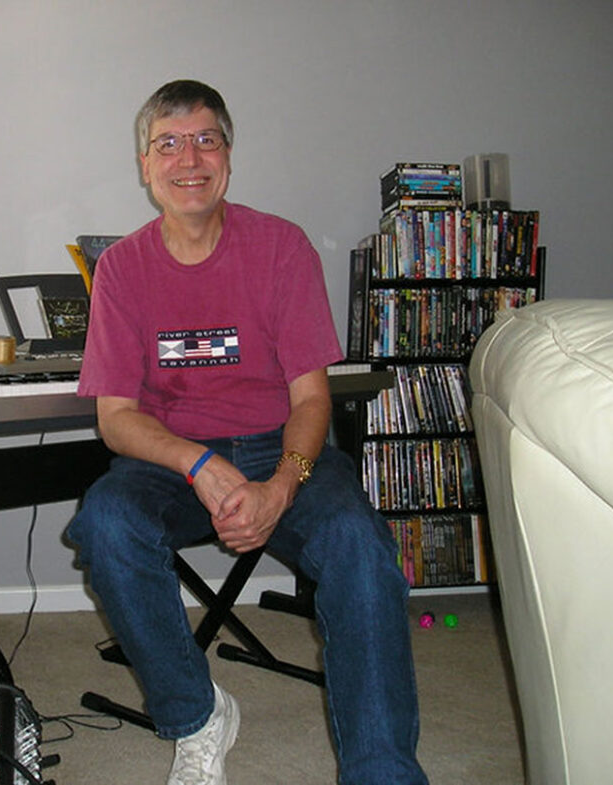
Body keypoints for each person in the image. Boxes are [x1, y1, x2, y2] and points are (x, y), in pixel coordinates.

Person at [65, 79, 428, 785]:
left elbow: (312, 397)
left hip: (277, 442)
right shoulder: (120, 270)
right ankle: (197, 715)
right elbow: (116, 420)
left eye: (206, 139)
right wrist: (199, 464)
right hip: (172, 459)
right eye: (167, 143)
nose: (188, 157)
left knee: (360, 545)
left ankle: (382, 771)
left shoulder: (282, 248)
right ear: (145, 165)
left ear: (228, 156)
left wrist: (281, 484)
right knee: (105, 524)